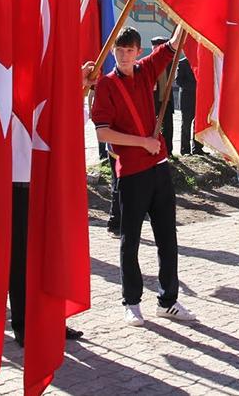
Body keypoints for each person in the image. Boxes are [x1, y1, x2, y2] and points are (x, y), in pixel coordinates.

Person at [91, 25, 195, 326]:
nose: (124, 56)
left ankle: (168, 300)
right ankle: (132, 302)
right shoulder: (106, 85)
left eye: (129, 50)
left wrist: (182, 18)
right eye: (119, 50)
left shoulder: (146, 70)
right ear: (113, 51)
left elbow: (173, 45)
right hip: (131, 173)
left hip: (159, 168)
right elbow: (103, 133)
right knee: (131, 241)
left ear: (138, 52)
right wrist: (142, 142)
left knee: (167, 238)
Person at [150, 36, 175, 156]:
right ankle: (155, 151)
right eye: (154, 48)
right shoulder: (149, 63)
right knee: (153, 127)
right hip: (153, 101)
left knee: (168, 127)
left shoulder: (170, 63)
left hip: (167, 100)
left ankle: (168, 151)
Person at [176, 54, 204, 155]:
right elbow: (179, 81)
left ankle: (197, 148)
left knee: (199, 124)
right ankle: (185, 150)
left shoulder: (202, 62)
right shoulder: (183, 63)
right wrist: (196, 86)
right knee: (186, 125)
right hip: (187, 99)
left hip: (200, 99)